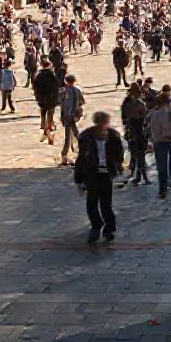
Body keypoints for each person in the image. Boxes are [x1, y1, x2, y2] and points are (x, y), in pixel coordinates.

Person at [74, 111, 125, 244]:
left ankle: (109, 228)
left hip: (106, 173)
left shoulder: (113, 136)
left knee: (106, 203)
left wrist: (115, 162)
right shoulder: (86, 136)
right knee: (91, 203)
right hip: (92, 173)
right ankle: (96, 226)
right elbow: (81, 158)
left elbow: (119, 155)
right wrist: (79, 178)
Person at [145, 95, 171, 198]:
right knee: (170, 159)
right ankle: (167, 184)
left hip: (157, 141)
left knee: (161, 166)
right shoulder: (167, 111)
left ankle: (162, 189)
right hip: (168, 139)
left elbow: (147, 120)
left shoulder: (153, 112)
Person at [57, 74, 85, 166]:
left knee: (68, 136)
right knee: (75, 133)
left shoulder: (63, 90)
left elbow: (60, 102)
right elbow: (82, 101)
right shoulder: (78, 89)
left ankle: (65, 155)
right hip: (75, 115)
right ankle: (82, 150)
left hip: (66, 115)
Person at [31, 60, 59, 145]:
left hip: (42, 100)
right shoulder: (52, 75)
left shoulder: (39, 76)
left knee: (43, 116)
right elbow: (56, 87)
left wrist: (37, 97)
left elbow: (35, 87)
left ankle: (44, 132)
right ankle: (49, 134)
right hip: (51, 100)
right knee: (50, 118)